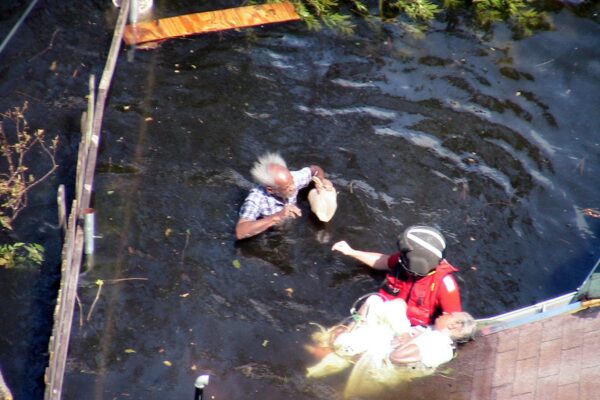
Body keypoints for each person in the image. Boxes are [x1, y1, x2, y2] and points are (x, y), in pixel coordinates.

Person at [331, 225, 462, 326]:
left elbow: (453, 323)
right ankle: (350, 332)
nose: (400, 257)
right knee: (373, 300)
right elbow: (382, 261)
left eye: (404, 256)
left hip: (413, 331)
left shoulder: (446, 285)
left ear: (418, 263)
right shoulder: (405, 260)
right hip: (390, 315)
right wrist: (352, 252)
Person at [235, 152, 332, 240]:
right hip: (270, 231)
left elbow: (315, 170)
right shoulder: (256, 199)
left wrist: (321, 181)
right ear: (271, 190)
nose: (293, 187)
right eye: (287, 187)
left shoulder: (293, 178)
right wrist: (278, 216)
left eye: (292, 181)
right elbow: (240, 232)